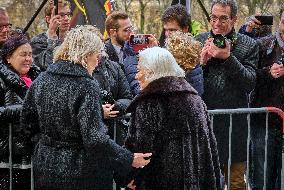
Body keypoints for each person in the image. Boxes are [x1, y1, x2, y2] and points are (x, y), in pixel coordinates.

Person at [21, 25, 151, 190]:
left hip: (45, 167)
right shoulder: (86, 85)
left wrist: (45, 148)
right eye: (96, 55)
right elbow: (94, 139)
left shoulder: (42, 80)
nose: (98, 61)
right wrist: (128, 159)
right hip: (83, 173)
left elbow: (27, 124)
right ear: (85, 54)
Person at [124, 47, 222, 190]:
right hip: (196, 182)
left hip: (159, 182)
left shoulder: (149, 103)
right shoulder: (195, 99)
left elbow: (141, 150)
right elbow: (209, 148)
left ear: (153, 72)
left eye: (140, 70)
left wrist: (130, 177)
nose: (136, 76)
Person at [194, 0, 258, 189]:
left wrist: (228, 58)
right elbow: (188, 84)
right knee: (206, 181)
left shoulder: (249, 44)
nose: (217, 23)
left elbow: (249, 83)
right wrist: (201, 64)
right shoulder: (199, 40)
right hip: (205, 124)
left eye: (223, 18)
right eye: (213, 17)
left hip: (235, 127)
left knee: (236, 183)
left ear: (234, 19)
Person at [248, 5, 284, 190]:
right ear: (280, 21)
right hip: (264, 123)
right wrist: (267, 73)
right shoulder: (262, 44)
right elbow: (247, 78)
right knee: (261, 181)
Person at [0, 32, 40, 189]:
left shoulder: (38, 78)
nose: (28, 59)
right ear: (8, 57)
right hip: (9, 161)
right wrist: (25, 110)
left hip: (34, 157)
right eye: (23, 54)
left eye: (30, 54)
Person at [105, 11, 157, 96]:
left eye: (131, 28)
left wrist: (154, 51)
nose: (131, 34)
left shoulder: (137, 50)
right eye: (126, 30)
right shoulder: (103, 54)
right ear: (112, 32)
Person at [161, 4, 204, 95]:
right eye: (166, 30)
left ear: (185, 29)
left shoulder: (191, 53)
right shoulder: (165, 49)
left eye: (172, 30)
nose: (167, 34)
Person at [31, 0, 71, 71]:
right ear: (49, 19)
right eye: (61, 15)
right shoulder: (37, 41)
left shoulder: (74, 40)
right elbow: (47, 68)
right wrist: (52, 35)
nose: (67, 18)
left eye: (68, 14)